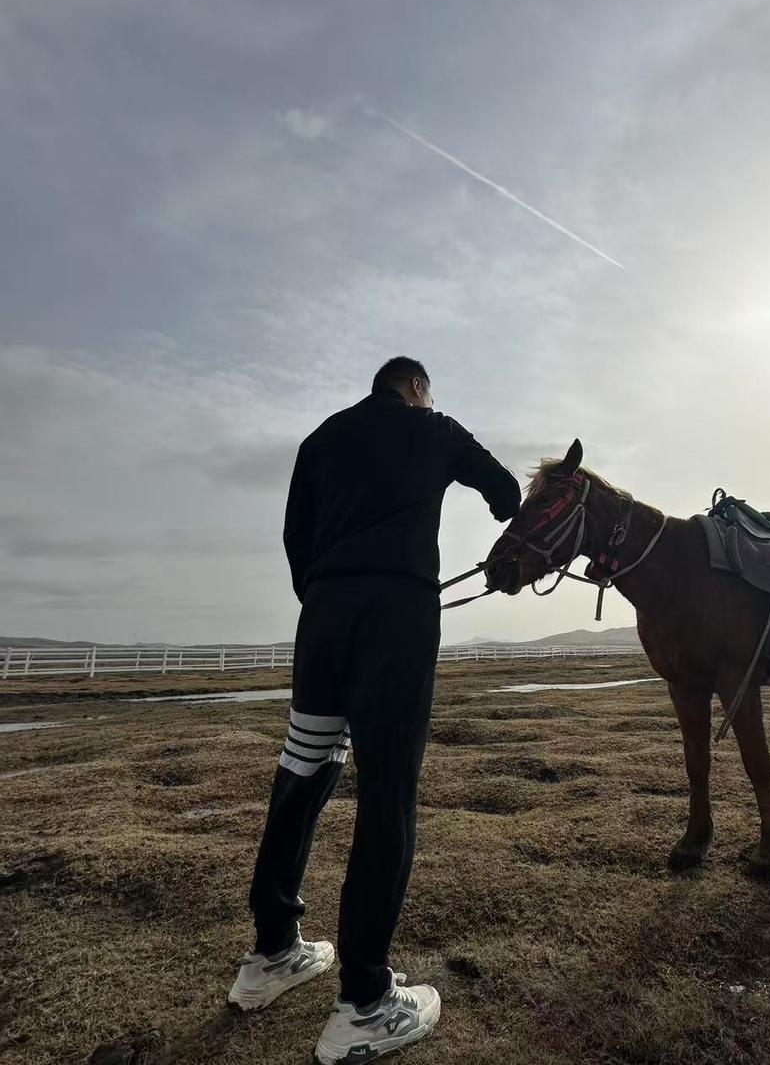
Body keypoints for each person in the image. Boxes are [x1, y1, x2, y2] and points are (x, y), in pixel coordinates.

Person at [228, 357, 521, 1063]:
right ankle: (364, 1001)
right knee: (388, 795)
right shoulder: (434, 427)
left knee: (305, 769)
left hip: (322, 616)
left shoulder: (321, 439)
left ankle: (272, 952)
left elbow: (296, 538)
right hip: (396, 620)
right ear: (417, 387)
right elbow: (507, 493)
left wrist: (329, 596)